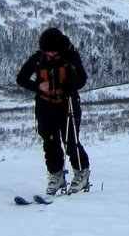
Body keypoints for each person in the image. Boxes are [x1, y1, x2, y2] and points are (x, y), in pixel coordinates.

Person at [16, 27, 91, 195]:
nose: (50, 55)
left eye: (53, 52)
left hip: (67, 103)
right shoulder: (38, 58)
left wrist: (65, 88)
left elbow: (82, 79)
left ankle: (82, 173)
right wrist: (37, 86)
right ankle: (56, 175)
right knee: (50, 141)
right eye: (47, 52)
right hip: (45, 105)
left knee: (70, 140)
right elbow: (21, 78)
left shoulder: (70, 57)